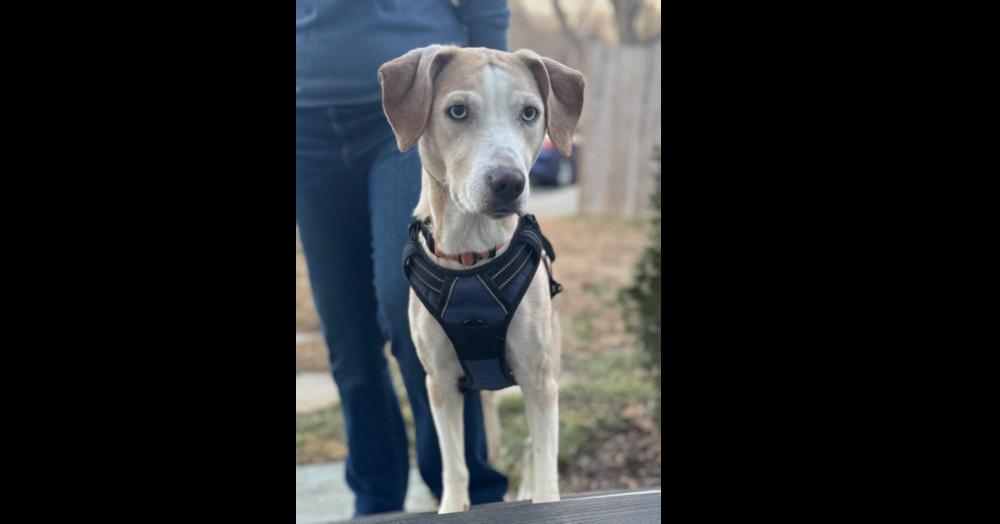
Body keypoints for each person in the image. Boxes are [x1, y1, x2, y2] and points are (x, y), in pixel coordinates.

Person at [295, 0, 511, 516]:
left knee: (413, 304)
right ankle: (375, 498)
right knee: (346, 334)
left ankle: (468, 494)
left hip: (417, 100)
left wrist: (494, 100)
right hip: (305, 125)